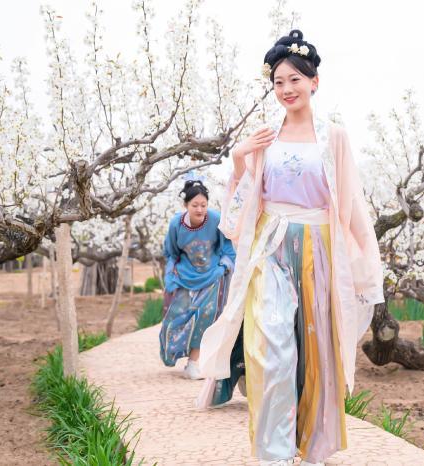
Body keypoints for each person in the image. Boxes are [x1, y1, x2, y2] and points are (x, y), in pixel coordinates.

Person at [197, 30, 384, 466]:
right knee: (271, 345)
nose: (286, 89)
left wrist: (365, 261)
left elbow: (351, 201)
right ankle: (274, 452)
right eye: (278, 82)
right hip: (272, 246)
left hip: (319, 246)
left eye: (295, 80)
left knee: (317, 350)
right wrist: (240, 158)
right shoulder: (265, 136)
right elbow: (244, 206)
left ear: (314, 82)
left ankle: (312, 446)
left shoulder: (333, 136)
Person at [159, 180, 237, 380]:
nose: (200, 209)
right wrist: (171, 277)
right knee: (175, 318)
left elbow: (227, 247)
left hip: (212, 276)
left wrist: (222, 268)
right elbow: (171, 252)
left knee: (206, 316)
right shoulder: (176, 224)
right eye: (195, 205)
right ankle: (173, 353)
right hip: (185, 277)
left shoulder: (216, 219)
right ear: (186, 205)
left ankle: (193, 363)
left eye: (203, 205)